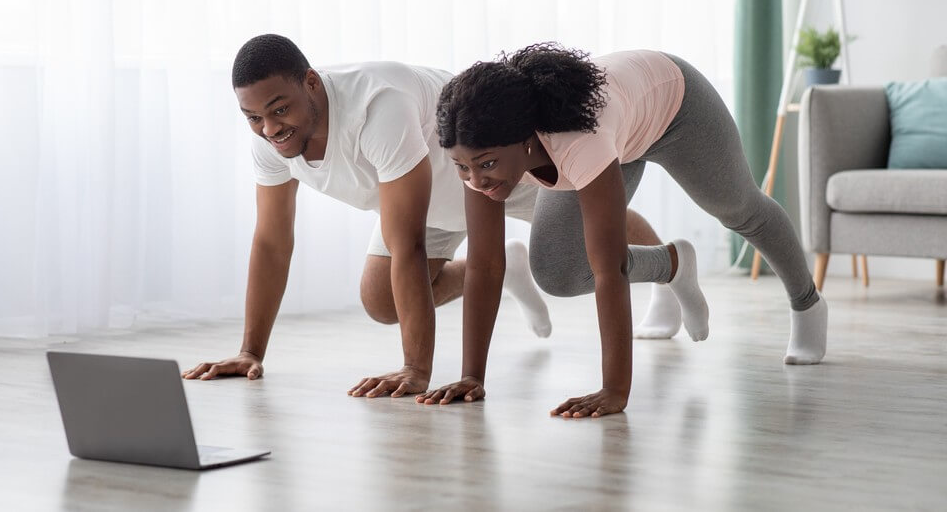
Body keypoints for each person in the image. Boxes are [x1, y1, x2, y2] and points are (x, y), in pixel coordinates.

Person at [181, 35, 683, 396]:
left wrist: (414, 369)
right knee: (380, 301)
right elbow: (272, 242)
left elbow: (409, 246)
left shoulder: (378, 105)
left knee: (594, 222)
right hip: (417, 201)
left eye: (279, 110)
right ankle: (502, 272)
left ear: (310, 83)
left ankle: (668, 273)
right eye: (253, 118)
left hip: (490, 168)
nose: (270, 128)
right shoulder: (271, 142)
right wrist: (251, 351)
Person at [419, 43, 827, 418]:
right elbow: (487, 265)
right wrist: (472, 377)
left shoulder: (578, 142)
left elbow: (609, 269)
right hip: (619, 124)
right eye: (462, 167)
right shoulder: (478, 152)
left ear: (526, 142)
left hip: (676, 108)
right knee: (557, 271)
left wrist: (614, 390)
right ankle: (673, 264)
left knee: (741, 210)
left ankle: (807, 303)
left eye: (487, 165)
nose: (476, 180)